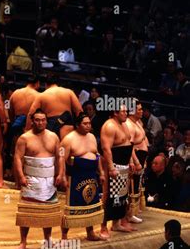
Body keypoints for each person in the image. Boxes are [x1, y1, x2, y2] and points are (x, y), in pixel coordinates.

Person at [14, 109, 61, 249]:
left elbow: (60, 157)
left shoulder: (54, 137)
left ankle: (47, 240)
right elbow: (17, 158)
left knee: (48, 212)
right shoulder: (24, 138)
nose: (40, 122)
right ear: (32, 121)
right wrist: (21, 176)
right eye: (37, 120)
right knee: (27, 212)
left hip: (49, 179)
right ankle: (23, 242)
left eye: (43, 120)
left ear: (46, 121)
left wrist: (61, 174)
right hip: (31, 179)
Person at [58, 113, 105, 241]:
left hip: (91, 175)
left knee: (91, 205)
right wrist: (61, 175)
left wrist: (101, 172)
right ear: (77, 125)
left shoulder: (92, 137)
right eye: (85, 123)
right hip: (75, 176)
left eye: (89, 123)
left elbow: (97, 155)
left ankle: (90, 232)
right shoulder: (69, 139)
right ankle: (64, 237)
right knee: (71, 207)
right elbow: (61, 158)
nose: (88, 126)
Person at [100, 106, 137, 238]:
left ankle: (116, 223)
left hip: (124, 164)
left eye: (126, 111)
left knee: (121, 196)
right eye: (123, 111)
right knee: (108, 196)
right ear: (115, 113)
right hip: (114, 164)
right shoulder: (109, 126)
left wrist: (131, 162)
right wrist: (111, 167)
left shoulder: (123, 125)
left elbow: (128, 144)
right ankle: (103, 226)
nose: (126, 113)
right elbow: (106, 149)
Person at [25, 75, 82, 139]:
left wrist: (27, 130)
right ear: (58, 83)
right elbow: (79, 110)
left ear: (46, 85)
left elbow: (31, 114)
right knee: (65, 147)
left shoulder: (42, 95)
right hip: (67, 125)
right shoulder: (69, 92)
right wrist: (81, 128)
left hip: (51, 127)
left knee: (50, 148)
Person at [125, 100, 148, 223]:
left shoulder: (138, 122)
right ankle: (129, 214)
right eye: (139, 109)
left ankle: (132, 212)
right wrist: (133, 162)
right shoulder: (129, 125)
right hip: (135, 157)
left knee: (136, 186)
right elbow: (129, 146)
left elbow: (144, 140)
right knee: (131, 187)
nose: (141, 111)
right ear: (132, 111)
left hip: (141, 156)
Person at [8, 74, 41, 139]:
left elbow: (10, 111)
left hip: (17, 125)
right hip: (31, 127)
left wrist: (13, 123)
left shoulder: (15, 93)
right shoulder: (38, 95)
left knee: (17, 146)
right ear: (37, 83)